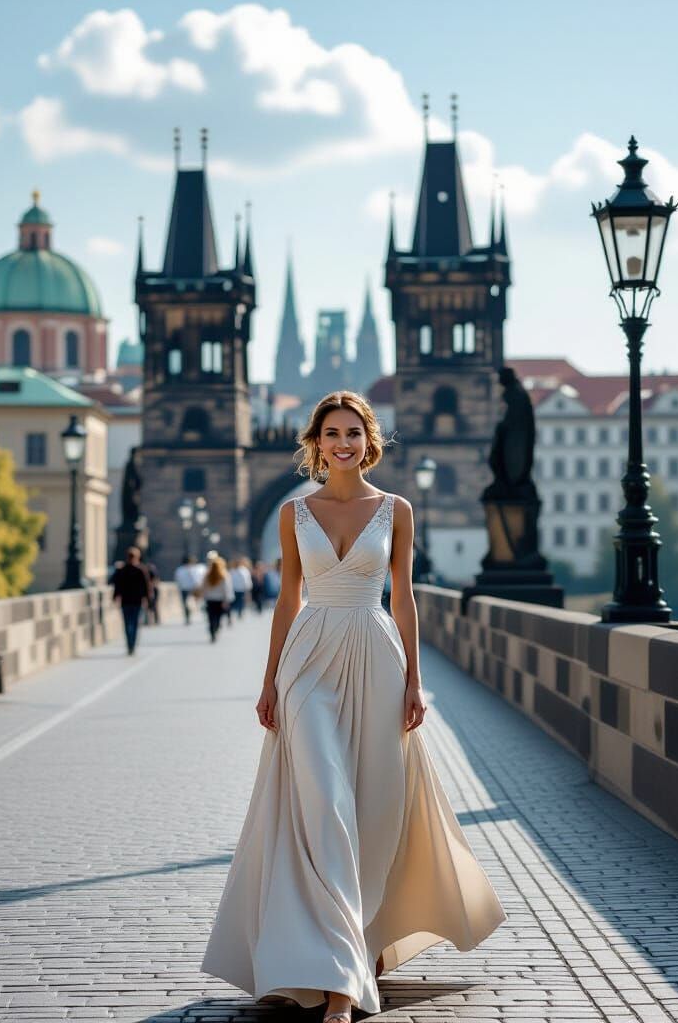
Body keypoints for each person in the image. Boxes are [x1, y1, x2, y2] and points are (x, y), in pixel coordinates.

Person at [200, 391, 506, 1021]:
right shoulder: (293, 513)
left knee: (371, 806)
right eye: (331, 433)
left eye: (353, 433)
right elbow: (287, 599)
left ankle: (353, 947)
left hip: (376, 656)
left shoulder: (397, 510)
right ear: (315, 442)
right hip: (309, 660)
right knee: (325, 803)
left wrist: (416, 680)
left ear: (371, 441)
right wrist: (268, 681)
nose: (343, 443)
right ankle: (340, 980)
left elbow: (405, 598)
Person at [111, 546, 151, 655]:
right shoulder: (141, 570)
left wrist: (115, 597)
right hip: (136, 601)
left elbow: (117, 585)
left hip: (126, 601)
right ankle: (131, 645)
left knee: (128, 624)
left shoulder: (122, 570)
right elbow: (146, 587)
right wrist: (147, 600)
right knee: (134, 624)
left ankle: (130, 644)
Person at [199, 556, 234, 643]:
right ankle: (216, 629)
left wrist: (203, 597)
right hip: (220, 600)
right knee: (218, 617)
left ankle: (212, 631)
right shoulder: (224, 575)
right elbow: (227, 589)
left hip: (210, 599)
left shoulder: (207, 575)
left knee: (211, 617)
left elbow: (204, 588)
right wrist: (227, 600)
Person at [174, 555, 200, 625]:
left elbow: (177, 580)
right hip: (191, 589)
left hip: (183, 589)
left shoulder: (179, 569)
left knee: (185, 604)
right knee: (189, 604)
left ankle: (187, 617)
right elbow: (196, 580)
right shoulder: (193, 569)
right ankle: (188, 616)